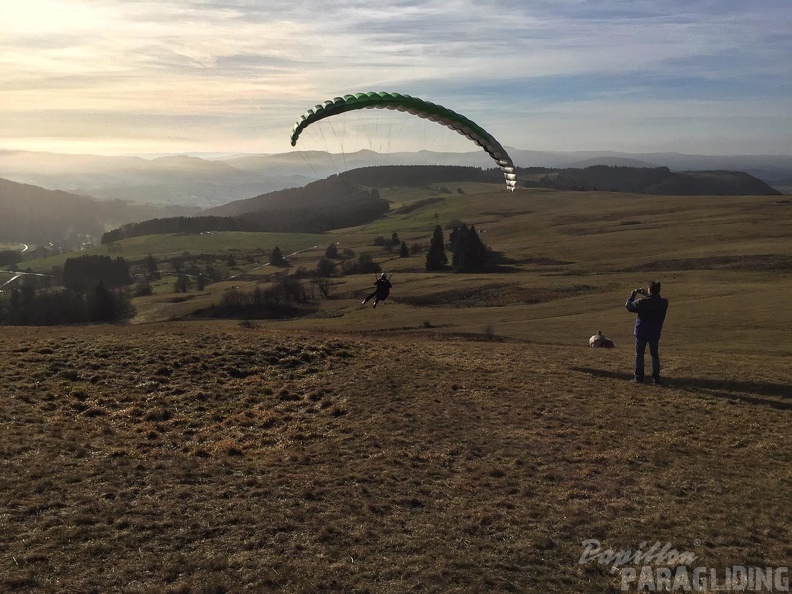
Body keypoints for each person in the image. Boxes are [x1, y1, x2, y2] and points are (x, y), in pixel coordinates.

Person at [625, 281, 669, 384]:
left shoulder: (642, 302)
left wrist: (632, 296)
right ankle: (656, 378)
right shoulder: (664, 303)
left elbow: (629, 306)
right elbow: (654, 301)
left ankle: (638, 377)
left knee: (639, 355)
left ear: (650, 289)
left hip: (642, 331)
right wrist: (647, 295)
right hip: (655, 332)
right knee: (654, 355)